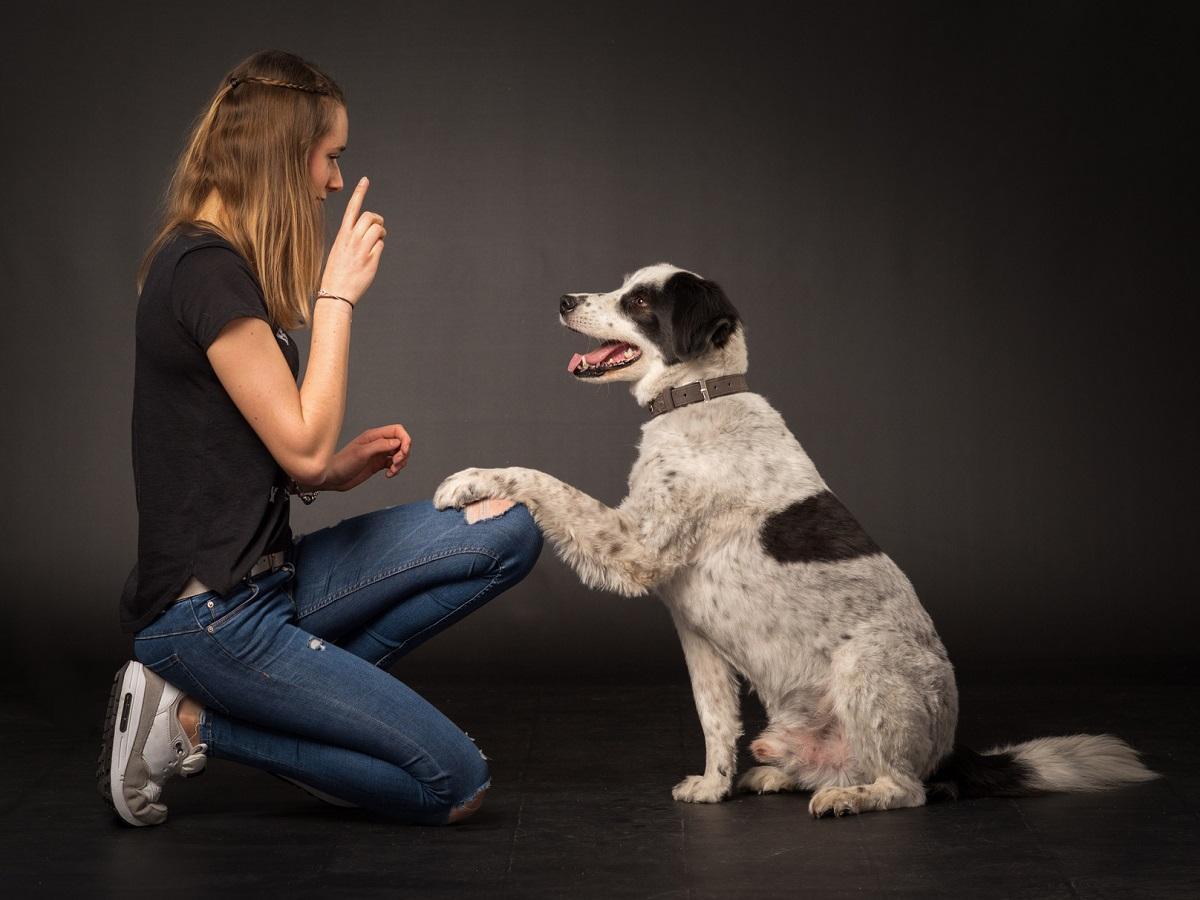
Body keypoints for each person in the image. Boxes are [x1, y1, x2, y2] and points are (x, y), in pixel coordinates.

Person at [99, 50, 543, 827]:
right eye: (330, 156)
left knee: (511, 527)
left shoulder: (215, 264)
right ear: (282, 152)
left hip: (274, 581)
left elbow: (251, 450)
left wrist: (331, 475)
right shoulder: (204, 271)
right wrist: (336, 297)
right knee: (454, 781)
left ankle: (301, 709)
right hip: (212, 619)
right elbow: (297, 443)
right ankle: (192, 723)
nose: (335, 180)